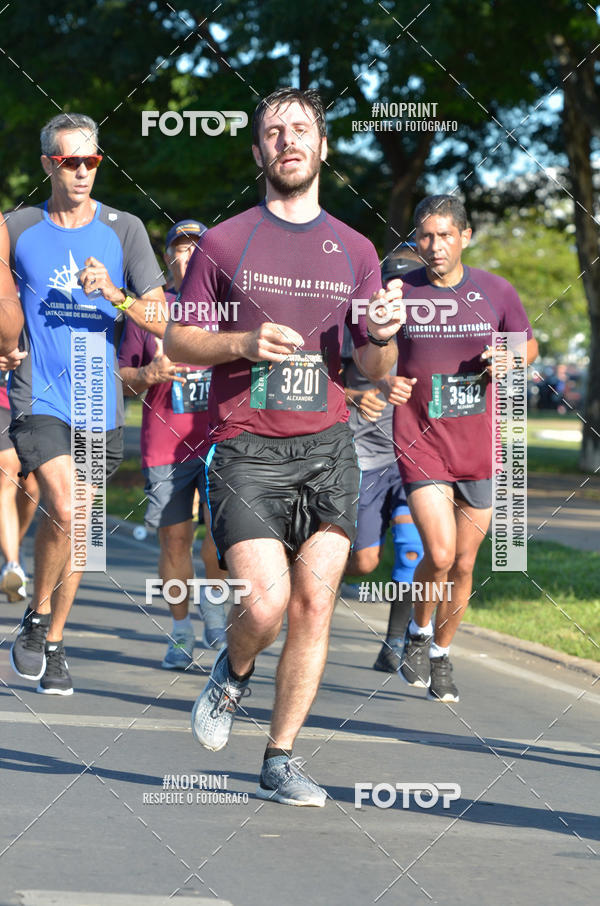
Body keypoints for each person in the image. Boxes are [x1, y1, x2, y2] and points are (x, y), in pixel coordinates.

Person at [164, 87, 405, 806]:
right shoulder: (224, 242)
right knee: (264, 606)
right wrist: (242, 342)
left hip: (328, 447)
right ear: (258, 151)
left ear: (322, 146)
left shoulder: (357, 250)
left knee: (313, 605)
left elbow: (375, 368)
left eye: (302, 129)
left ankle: (280, 757)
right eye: (274, 132)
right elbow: (180, 339)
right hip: (246, 448)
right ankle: (233, 672)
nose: (289, 140)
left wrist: (383, 335)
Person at [5, 112, 166, 695]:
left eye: (91, 160)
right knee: (68, 506)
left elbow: (161, 317)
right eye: (70, 161)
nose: (82, 171)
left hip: (99, 401)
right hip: (40, 395)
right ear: (48, 164)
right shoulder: (17, 227)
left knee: (81, 532)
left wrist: (117, 295)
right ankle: (38, 619)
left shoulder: (125, 230)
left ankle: (49, 636)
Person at [395, 195, 538, 703]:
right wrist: (382, 378)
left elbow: (528, 344)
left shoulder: (496, 290)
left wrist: (509, 358)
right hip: (421, 438)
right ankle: (417, 631)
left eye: (445, 235)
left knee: (462, 564)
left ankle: (440, 654)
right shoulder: (402, 292)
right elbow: (372, 351)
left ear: (465, 237)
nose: (435, 245)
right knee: (439, 552)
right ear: (417, 240)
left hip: (480, 443)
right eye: (426, 236)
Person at [119, 219, 229, 670]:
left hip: (221, 442)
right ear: (167, 258)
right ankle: (181, 630)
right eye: (181, 249)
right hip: (165, 446)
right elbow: (121, 378)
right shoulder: (149, 309)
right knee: (174, 540)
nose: (190, 255)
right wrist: (148, 374)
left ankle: (215, 613)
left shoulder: (228, 307)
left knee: (220, 538)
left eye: (198, 248)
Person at [342, 245, 423, 672]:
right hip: (364, 457)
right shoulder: (359, 321)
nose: (401, 292)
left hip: (417, 459)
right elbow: (323, 380)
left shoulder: (435, 328)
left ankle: (395, 644)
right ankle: (314, 575)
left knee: (411, 552)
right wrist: (355, 396)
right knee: (364, 561)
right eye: (394, 283)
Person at [0, 363, 39, 602]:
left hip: (38, 402)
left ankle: (16, 542)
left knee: (31, 488)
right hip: (2, 398)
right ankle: (12, 565)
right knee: (7, 472)